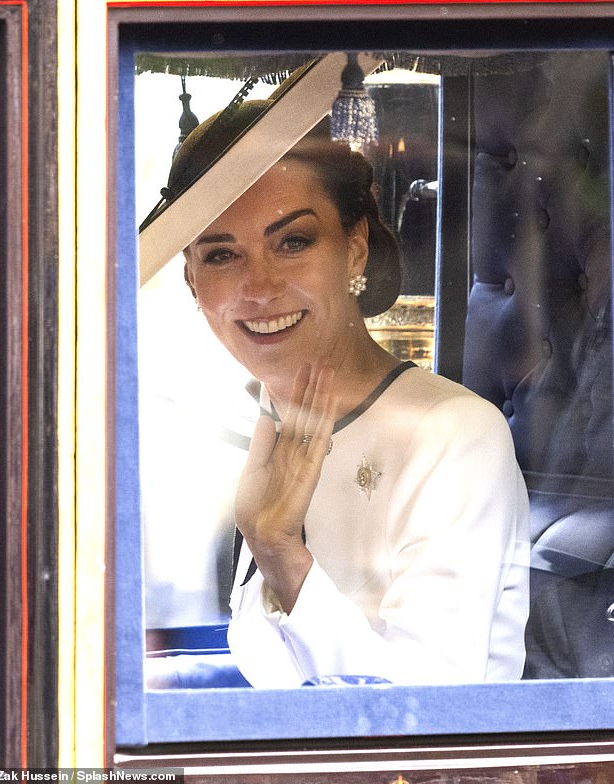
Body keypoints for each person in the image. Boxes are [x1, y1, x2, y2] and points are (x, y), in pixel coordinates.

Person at [152, 92, 530, 689]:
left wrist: (280, 551)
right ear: (192, 280)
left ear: (354, 246)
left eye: (293, 242)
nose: (259, 287)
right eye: (222, 254)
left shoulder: (453, 435)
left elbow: (419, 724)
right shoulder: (269, 420)